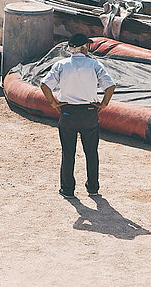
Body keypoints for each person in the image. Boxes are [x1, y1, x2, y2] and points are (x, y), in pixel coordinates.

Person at [40, 33, 115, 197]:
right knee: (91, 152)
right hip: (89, 113)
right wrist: (104, 104)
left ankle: (67, 189)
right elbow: (110, 86)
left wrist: (53, 103)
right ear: (83, 47)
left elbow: (44, 85)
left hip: (68, 112)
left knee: (68, 153)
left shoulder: (61, 65)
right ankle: (93, 187)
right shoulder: (94, 65)